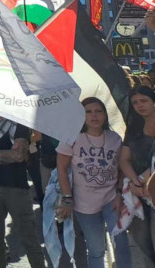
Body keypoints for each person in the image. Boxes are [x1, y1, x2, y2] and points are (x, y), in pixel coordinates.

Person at [56, 98, 131, 268]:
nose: (94, 116)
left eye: (98, 111)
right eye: (88, 112)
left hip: (112, 199)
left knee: (122, 244)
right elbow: (61, 169)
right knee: (96, 249)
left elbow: (120, 169)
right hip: (84, 204)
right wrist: (67, 199)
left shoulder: (115, 138)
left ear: (105, 114)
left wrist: (119, 193)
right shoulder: (71, 137)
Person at [0, 114, 44, 268]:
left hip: (17, 188)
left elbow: (18, 156)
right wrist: (6, 158)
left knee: (29, 237)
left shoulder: (20, 125)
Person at [119, 85, 155, 264]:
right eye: (135, 102)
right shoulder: (133, 127)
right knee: (143, 243)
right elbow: (124, 159)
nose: (140, 105)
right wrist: (135, 182)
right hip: (137, 192)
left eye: (144, 101)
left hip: (152, 188)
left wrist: (144, 181)